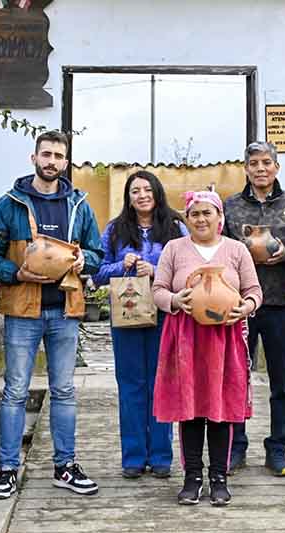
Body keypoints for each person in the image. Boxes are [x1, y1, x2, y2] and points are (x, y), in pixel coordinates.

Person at [0, 130, 103, 499]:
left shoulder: (80, 205)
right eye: (46, 154)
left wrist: (85, 262)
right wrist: (15, 273)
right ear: (33, 158)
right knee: (15, 390)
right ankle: (7, 469)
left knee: (64, 390)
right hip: (23, 310)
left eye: (59, 156)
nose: (52, 161)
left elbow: (97, 253)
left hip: (65, 310)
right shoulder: (9, 204)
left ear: (66, 162)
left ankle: (64, 467)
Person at [152, 190, 262, 506]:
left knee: (219, 409)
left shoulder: (236, 250)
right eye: (195, 214)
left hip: (224, 339)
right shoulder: (174, 249)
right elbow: (158, 289)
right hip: (185, 337)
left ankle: (219, 478)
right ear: (187, 219)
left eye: (207, 213)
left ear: (220, 218)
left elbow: (254, 290)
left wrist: (247, 306)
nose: (201, 219)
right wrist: (174, 300)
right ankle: (192, 478)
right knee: (189, 410)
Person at [223, 141, 285, 476]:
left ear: (276, 167)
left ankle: (278, 449)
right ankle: (236, 446)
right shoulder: (230, 207)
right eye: (254, 163)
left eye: (266, 163)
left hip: (279, 303)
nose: (260, 169)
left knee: (282, 383)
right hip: (239, 305)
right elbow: (217, 248)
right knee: (236, 378)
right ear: (245, 168)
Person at [93, 171, 187, 479]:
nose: (142, 195)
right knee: (131, 384)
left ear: (157, 193)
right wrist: (125, 265)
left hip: (165, 315)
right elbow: (97, 272)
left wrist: (156, 269)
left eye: (147, 189)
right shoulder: (115, 230)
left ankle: (161, 456)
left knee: (162, 381)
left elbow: (188, 271)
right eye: (135, 191)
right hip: (127, 314)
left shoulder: (175, 228)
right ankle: (133, 457)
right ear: (128, 197)